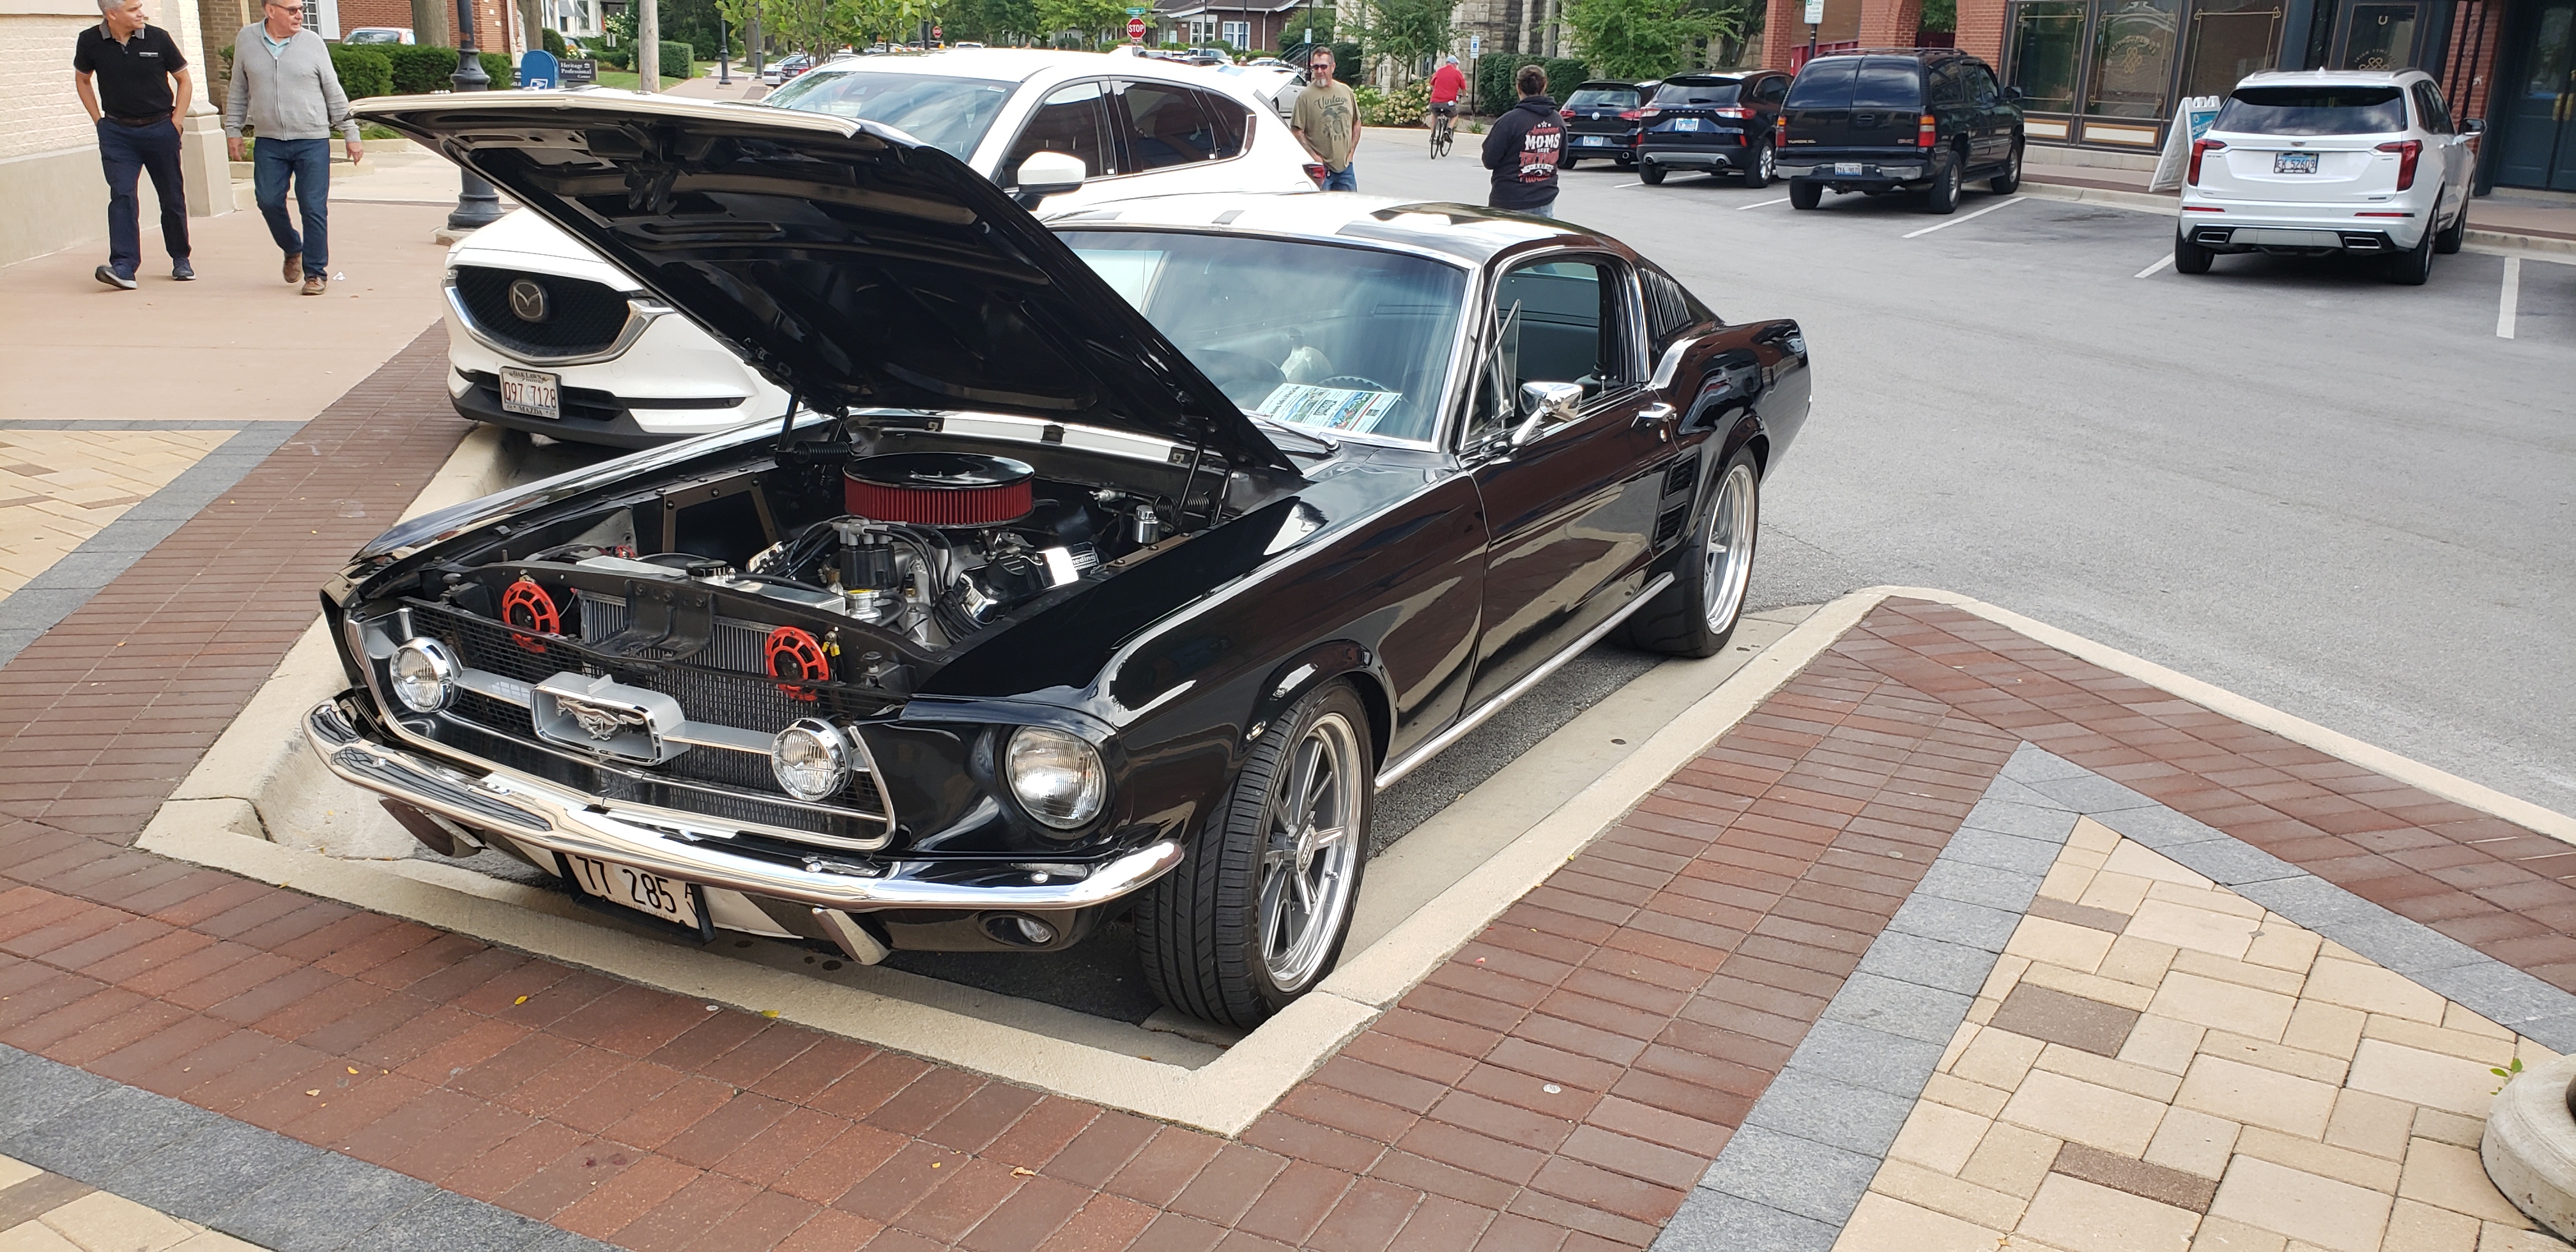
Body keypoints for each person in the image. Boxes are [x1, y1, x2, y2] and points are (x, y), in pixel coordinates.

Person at [226, 0, 360, 296]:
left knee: (313, 206)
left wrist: (350, 132)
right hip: (269, 140)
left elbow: (333, 89)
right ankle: (292, 247)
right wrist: (233, 129)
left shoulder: (312, 43)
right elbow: (238, 88)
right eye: (292, 10)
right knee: (268, 201)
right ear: (270, 10)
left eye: (301, 9)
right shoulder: (247, 39)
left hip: (312, 139)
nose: (300, 15)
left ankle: (315, 273)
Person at [73, 0, 195, 290]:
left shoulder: (158, 38)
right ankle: (124, 267)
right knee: (122, 195)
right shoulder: (90, 41)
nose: (142, 13)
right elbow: (83, 80)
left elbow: (184, 80)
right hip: (118, 133)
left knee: (171, 197)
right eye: (133, 9)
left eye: (140, 6)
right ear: (112, 14)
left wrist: (177, 122)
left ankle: (181, 257)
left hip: (160, 129)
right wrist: (99, 121)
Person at [1482, 63, 1562, 217]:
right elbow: (1562, 157)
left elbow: (1489, 160)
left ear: (1518, 88)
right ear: (1544, 86)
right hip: (1544, 201)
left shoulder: (1509, 122)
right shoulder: (1557, 121)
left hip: (1509, 201)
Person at [1291, 47, 1359, 191]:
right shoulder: (1305, 97)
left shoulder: (1346, 91)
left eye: (1324, 67)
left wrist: (1351, 153)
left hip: (1345, 169)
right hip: (1321, 170)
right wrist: (1314, 156)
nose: (1319, 71)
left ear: (1333, 67)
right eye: (1316, 67)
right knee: (1321, 205)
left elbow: (1357, 123)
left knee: (1350, 204)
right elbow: (1297, 131)